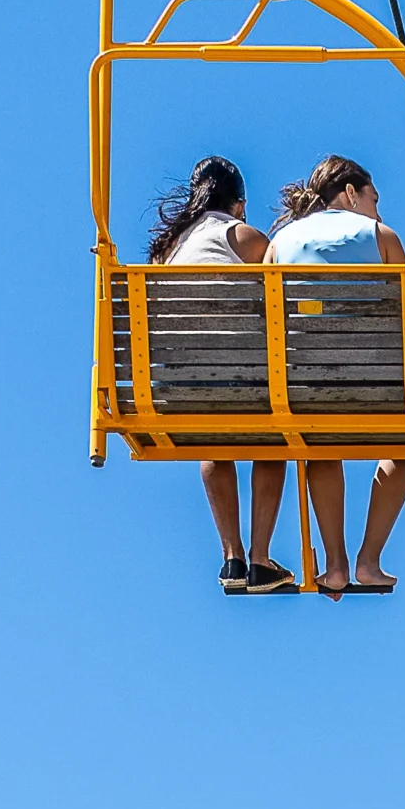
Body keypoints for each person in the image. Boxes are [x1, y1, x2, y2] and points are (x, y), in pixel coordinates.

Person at [268, 156, 405, 598]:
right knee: (402, 450)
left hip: (301, 385)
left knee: (321, 446)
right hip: (376, 384)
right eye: (374, 198)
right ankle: (368, 561)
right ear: (351, 193)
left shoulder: (280, 242)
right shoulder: (381, 237)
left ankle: (334, 565)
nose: (378, 210)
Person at [146, 158, 292, 596]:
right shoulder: (238, 233)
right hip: (242, 377)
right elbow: (282, 289)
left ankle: (232, 556)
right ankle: (261, 558)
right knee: (274, 435)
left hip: (178, 385)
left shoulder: (168, 249)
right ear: (239, 204)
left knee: (215, 436)